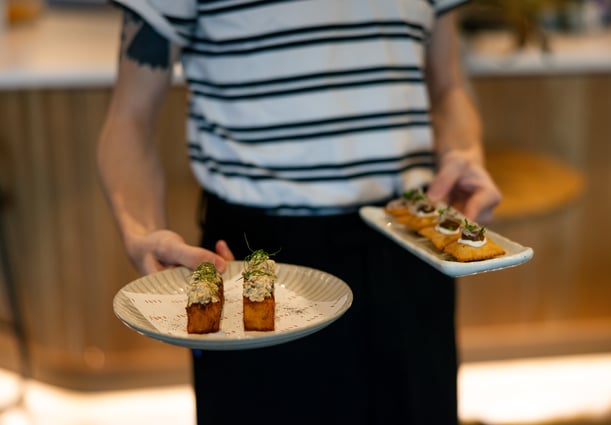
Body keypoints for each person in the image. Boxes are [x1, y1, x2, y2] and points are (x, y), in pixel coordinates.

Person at [97, 1, 501, 424]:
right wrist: (140, 230)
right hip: (259, 262)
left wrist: (464, 152)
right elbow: (129, 118)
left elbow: (448, 84)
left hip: (408, 253)